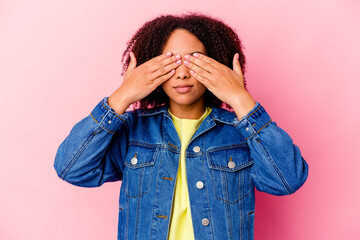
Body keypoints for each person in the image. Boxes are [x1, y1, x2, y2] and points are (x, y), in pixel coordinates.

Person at [54, 12, 309, 240]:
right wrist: (121, 97)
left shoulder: (240, 132)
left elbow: (287, 180)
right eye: (171, 62)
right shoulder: (133, 130)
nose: (182, 73)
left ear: (216, 64)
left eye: (193, 61)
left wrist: (241, 99)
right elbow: (71, 168)